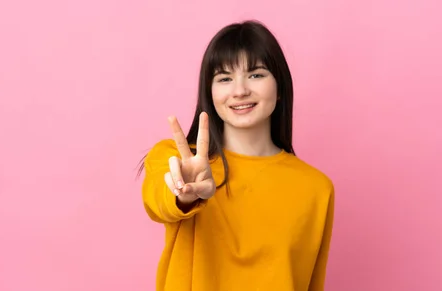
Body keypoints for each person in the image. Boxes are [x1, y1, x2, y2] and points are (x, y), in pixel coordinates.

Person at [139, 20, 335, 291]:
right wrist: (185, 193)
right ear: (210, 92)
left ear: (280, 88)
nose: (240, 90)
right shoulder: (174, 158)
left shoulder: (316, 188)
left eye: (256, 74)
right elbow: (160, 202)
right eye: (224, 78)